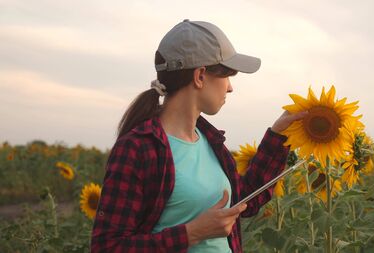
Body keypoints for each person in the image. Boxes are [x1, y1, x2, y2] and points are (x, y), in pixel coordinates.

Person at [90, 19, 307, 253]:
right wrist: (192, 233)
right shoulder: (139, 148)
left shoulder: (210, 141)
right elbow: (107, 247)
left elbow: (244, 201)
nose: (230, 87)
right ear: (200, 76)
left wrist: (278, 135)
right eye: (227, 75)